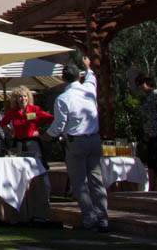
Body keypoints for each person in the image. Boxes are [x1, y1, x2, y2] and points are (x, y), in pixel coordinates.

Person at [43, 56, 108, 232]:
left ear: (63, 79)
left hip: (76, 141)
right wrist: (87, 66)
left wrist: (48, 136)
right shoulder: (88, 89)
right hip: (94, 138)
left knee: (80, 182)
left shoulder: (63, 98)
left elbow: (59, 125)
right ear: (78, 76)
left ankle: (89, 219)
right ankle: (102, 218)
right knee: (96, 180)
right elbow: (92, 76)